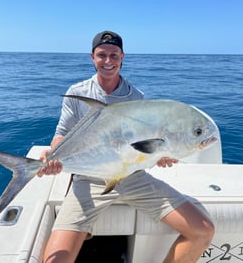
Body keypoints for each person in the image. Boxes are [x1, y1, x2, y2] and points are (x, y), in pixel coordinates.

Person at [38, 31, 215, 263]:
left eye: (114, 55)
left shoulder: (136, 96)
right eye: (102, 55)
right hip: (88, 179)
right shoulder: (77, 93)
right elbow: (61, 134)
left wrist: (160, 155)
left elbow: (141, 146)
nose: (108, 61)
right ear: (92, 57)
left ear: (123, 57)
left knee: (203, 230)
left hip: (132, 177)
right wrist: (52, 155)